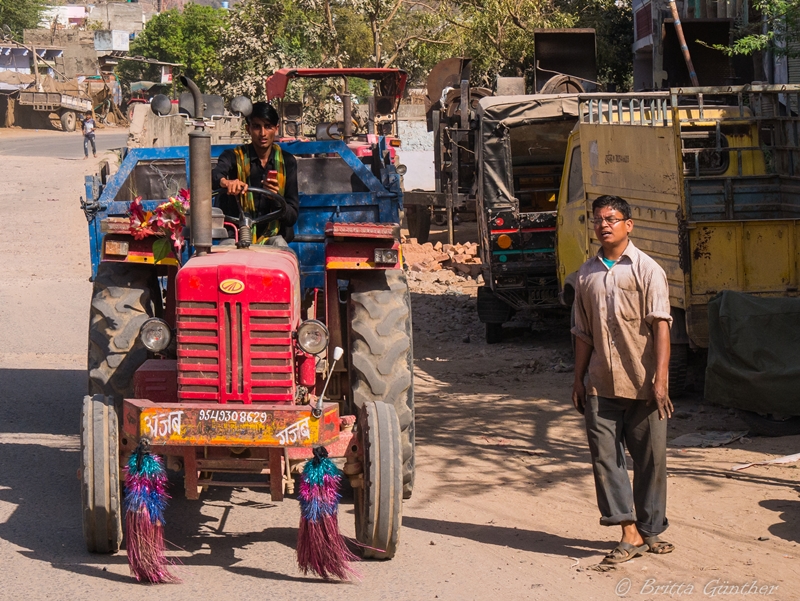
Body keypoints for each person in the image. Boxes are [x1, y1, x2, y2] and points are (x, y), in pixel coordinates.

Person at [571, 195, 675, 565]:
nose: (604, 225)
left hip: (644, 384)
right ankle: (628, 531)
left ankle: (649, 530)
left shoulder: (648, 270)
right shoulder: (586, 275)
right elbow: (582, 333)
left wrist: (660, 380)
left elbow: (662, 326)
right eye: (598, 219)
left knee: (651, 460)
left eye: (612, 219)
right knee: (605, 459)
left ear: (628, 224)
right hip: (601, 383)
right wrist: (579, 379)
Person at [211, 102, 299, 246]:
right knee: (224, 250)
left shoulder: (287, 162)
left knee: (281, 245)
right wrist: (226, 183)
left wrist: (276, 198)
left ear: (276, 129)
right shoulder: (232, 156)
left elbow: (292, 217)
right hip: (237, 236)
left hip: (273, 237)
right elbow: (214, 175)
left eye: (268, 126)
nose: (262, 133)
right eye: (257, 126)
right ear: (248, 129)